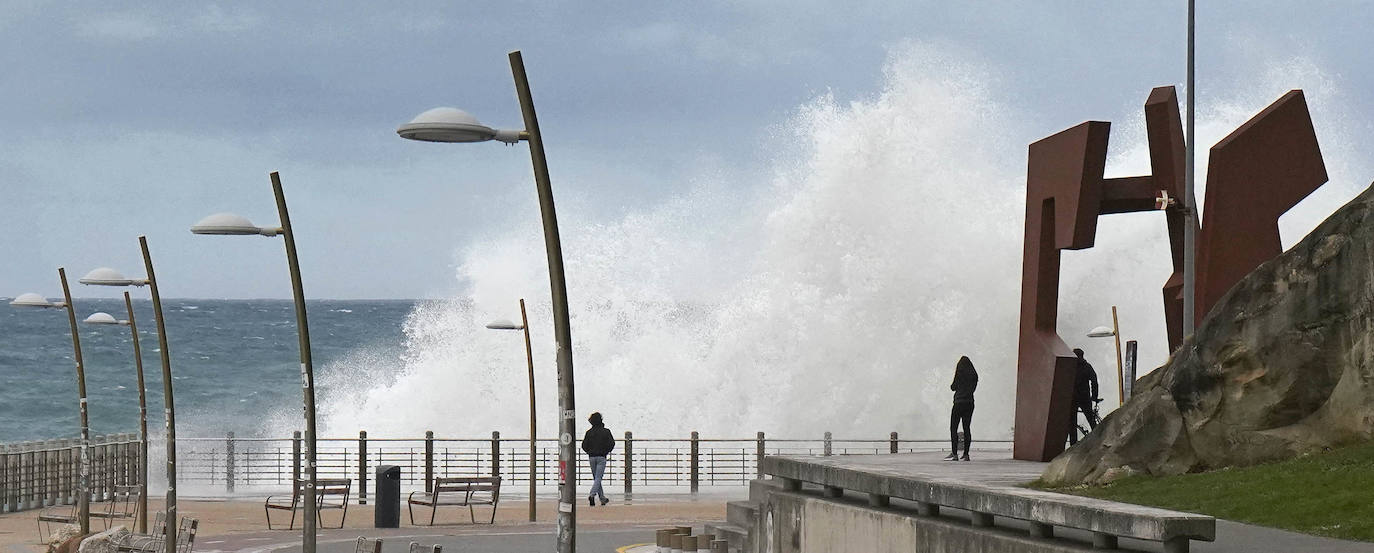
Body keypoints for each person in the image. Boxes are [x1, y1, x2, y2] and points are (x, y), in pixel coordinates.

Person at [945, 356, 978, 461]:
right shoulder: (974, 376)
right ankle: (966, 454)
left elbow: (953, 387)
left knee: (953, 428)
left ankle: (954, 454)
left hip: (959, 403)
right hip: (969, 403)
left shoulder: (960, 374)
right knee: (967, 428)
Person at [1068, 348, 1101, 445]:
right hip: (1085, 397)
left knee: (1071, 423)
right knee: (1091, 419)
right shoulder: (1087, 367)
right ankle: (1099, 440)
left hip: (1073, 398)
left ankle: (1073, 446)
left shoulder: (1070, 367)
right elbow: (1094, 381)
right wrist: (1094, 396)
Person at [581, 411, 615, 506]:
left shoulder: (589, 432)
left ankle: (602, 498)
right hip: (601, 457)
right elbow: (611, 443)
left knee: (596, 478)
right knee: (598, 478)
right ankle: (592, 495)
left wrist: (589, 451)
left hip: (591, 457)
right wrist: (606, 451)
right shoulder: (606, 432)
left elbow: (584, 445)